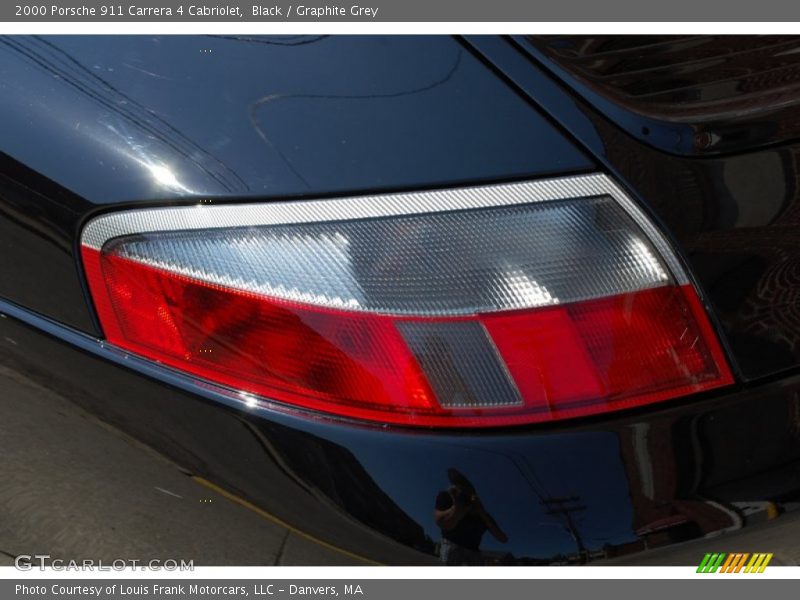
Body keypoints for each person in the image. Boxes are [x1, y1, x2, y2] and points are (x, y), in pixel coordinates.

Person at [434, 468, 508, 565]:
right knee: (450, 551)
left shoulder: (482, 513)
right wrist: (457, 508)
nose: (464, 493)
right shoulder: (447, 497)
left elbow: (503, 539)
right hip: (450, 543)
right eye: (459, 486)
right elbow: (441, 522)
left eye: (468, 490)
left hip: (473, 551)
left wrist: (481, 512)